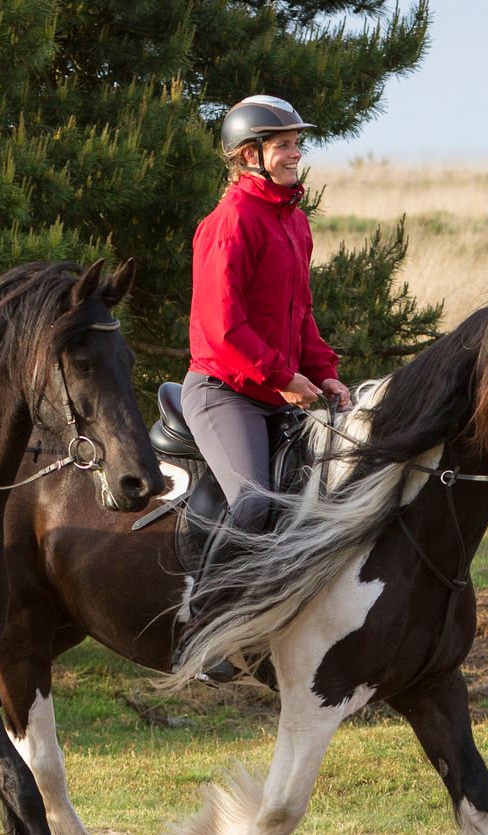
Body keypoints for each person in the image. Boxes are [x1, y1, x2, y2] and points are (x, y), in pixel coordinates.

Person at [177, 95, 351, 674]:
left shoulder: (293, 221)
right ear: (249, 155)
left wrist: (323, 373)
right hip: (223, 391)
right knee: (254, 504)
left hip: (276, 389)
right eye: (284, 145)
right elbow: (222, 329)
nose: (296, 153)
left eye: (297, 144)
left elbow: (299, 315)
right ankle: (206, 627)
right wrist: (285, 379)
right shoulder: (228, 224)